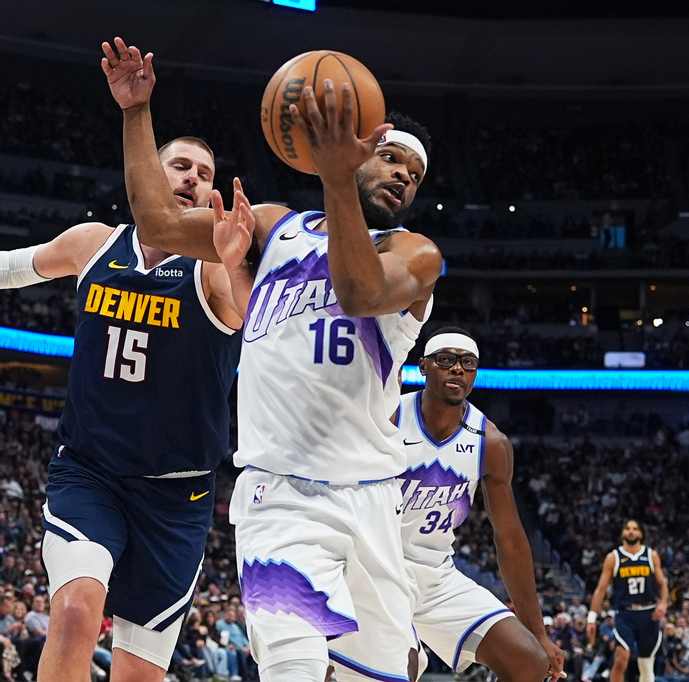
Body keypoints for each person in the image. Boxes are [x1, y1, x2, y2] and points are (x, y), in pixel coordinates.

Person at [0, 64, 245, 682]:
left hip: (177, 497)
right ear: (150, 171)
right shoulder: (95, 242)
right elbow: (21, 265)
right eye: (179, 166)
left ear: (211, 199)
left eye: (204, 176)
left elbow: (258, 319)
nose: (191, 180)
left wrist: (235, 263)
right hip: (91, 473)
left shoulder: (214, 273)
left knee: (137, 675)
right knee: (73, 611)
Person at [106, 36, 442, 682]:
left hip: (373, 503)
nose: (403, 175)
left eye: (415, 173)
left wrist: (338, 176)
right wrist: (135, 112)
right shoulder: (271, 227)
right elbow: (155, 226)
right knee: (291, 668)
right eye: (394, 158)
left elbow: (360, 290)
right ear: (366, 143)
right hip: (278, 494)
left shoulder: (417, 255)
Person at [395, 327, 563, 682]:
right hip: (377, 569)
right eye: (446, 360)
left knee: (528, 661)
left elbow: (510, 538)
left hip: (436, 576)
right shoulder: (389, 417)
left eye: (467, 363)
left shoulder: (491, 442)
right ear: (424, 366)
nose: (457, 369)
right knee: (401, 665)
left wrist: (540, 633)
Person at [586, 520, 669, 682]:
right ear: (622, 533)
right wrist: (591, 619)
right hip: (625, 614)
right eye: (627, 528)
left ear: (641, 533)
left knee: (646, 664)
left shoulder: (651, 555)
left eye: (635, 529)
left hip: (649, 614)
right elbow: (600, 590)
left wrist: (664, 603)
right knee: (620, 659)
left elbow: (662, 585)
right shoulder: (613, 557)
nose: (631, 531)